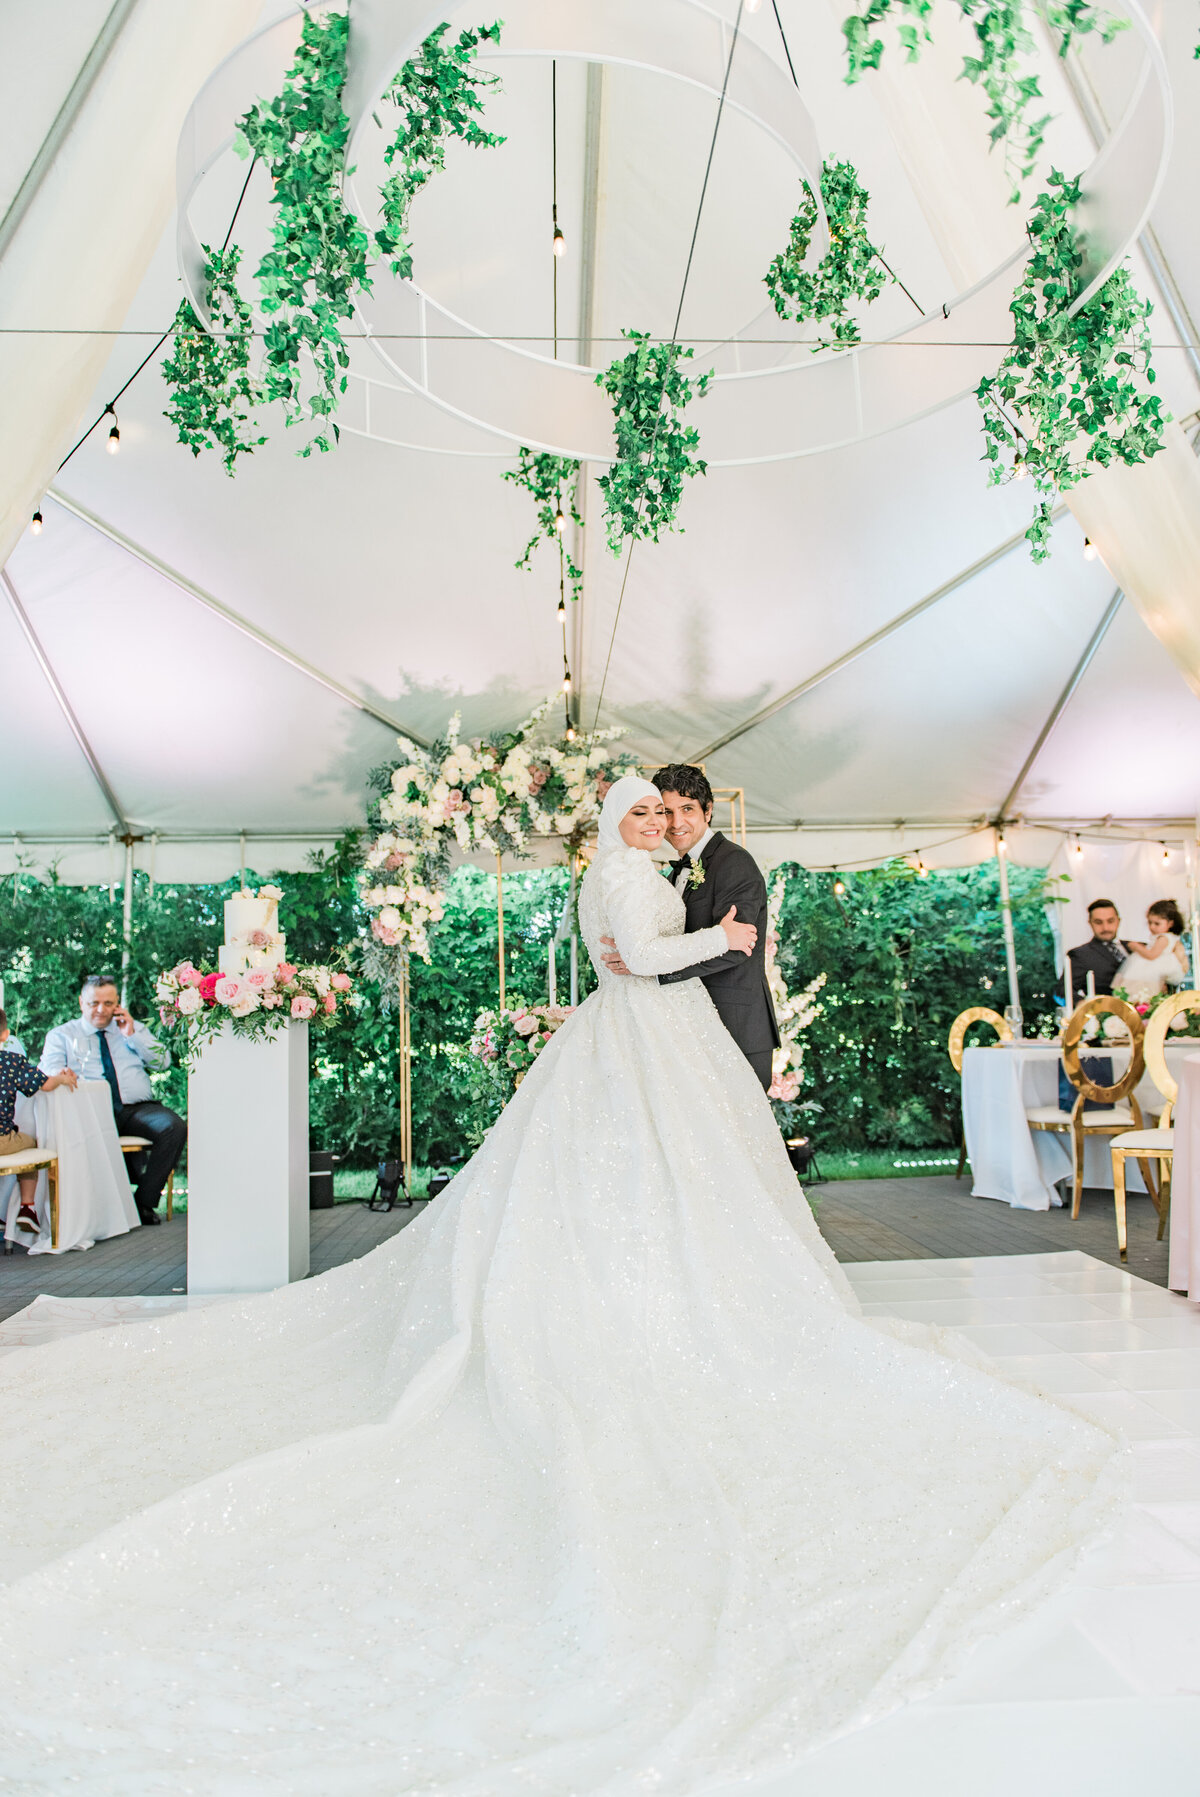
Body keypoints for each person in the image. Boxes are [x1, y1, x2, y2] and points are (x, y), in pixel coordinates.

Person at [0, 779, 1120, 1790]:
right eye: (636, 813)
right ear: (615, 824)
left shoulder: (636, 872)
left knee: (666, 1182)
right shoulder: (628, 878)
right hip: (645, 1032)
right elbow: (638, 962)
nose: (648, 826)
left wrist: (705, 928)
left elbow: (633, 960)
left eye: (654, 814)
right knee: (651, 1179)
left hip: (649, 1043)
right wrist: (720, 934)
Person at [600, 762, 781, 1089]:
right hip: (691, 1025)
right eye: (667, 812)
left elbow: (737, 948)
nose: (676, 823)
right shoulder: (670, 874)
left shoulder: (734, 863)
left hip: (735, 1024)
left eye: (688, 809)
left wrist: (649, 969)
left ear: (708, 810)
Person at [40, 974, 184, 1225]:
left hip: (136, 1109)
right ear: (81, 1002)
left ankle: (143, 1202)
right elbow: (48, 1071)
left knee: (174, 1127)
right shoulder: (62, 1035)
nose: (101, 1010)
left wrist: (132, 1035)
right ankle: (97, 1211)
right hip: (90, 1111)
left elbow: (163, 1061)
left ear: (117, 1002)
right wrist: (61, 1073)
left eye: (108, 1003)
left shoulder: (133, 1027)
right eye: (94, 1003)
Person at [0, 1045, 76, 1236]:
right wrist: (61, 1077)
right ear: (4, 1035)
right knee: (30, 1144)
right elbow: (46, 1085)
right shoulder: (10, 1061)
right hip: (3, 1141)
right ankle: (28, 1207)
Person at [1112, 897, 1189, 998]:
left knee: (1139, 984)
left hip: (1154, 968)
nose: (1152, 927)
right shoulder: (1164, 937)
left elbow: (1152, 955)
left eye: (1157, 923)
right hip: (1154, 967)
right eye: (1150, 922)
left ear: (1170, 923)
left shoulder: (1163, 938)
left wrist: (1137, 947)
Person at [1067, 897, 1133, 1003]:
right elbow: (1062, 991)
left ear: (1118, 921)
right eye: (1098, 922)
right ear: (1090, 923)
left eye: (1110, 921)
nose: (1105, 927)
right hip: (1107, 1015)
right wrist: (1085, 1006)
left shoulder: (1139, 948)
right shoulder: (1081, 955)